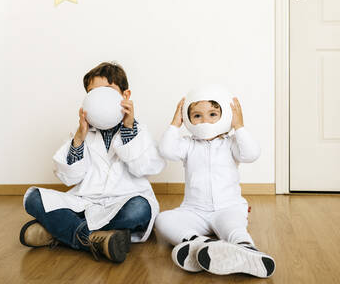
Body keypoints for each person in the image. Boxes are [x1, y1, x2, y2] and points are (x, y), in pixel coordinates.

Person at [19, 62, 166, 263]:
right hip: (86, 202)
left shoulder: (137, 130)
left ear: (125, 95)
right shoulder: (83, 133)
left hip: (123, 201)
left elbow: (147, 167)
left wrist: (128, 128)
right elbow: (70, 177)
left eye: (107, 91)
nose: (100, 99)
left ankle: (60, 231)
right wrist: (79, 137)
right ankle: (92, 239)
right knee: (33, 198)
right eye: (93, 93)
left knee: (140, 209)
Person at [155, 86, 275, 278]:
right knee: (162, 220)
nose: (205, 121)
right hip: (194, 211)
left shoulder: (231, 142)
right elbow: (166, 150)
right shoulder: (188, 144)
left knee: (233, 228)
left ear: (225, 115)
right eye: (197, 116)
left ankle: (247, 250)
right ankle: (201, 244)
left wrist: (239, 127)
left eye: (212, 114)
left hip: (228, 208)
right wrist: (174, 124)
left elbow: (251, 154)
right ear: (188, 119)